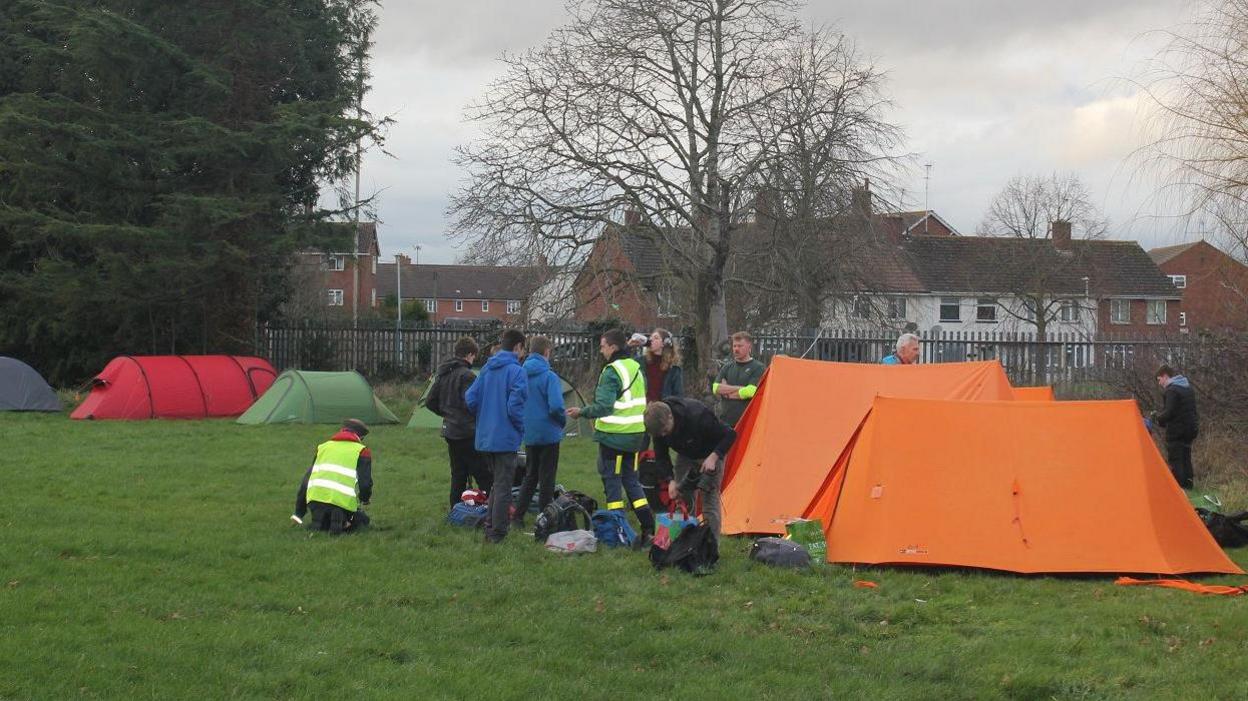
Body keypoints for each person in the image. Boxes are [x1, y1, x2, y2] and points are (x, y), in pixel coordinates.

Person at [567, 328, 656, 544]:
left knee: (612, 485)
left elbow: (604, 407)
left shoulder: (611, 372)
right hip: (636, 437)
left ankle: (618, 532)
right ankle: (649, 528)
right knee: (632, 482)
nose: (601, 351)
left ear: (613, 347)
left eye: (603, 346)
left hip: (614, 439)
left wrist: (581, 412)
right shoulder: (635, 367)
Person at [465, 329, 528, 543]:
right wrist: (520, 428)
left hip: (485, 438)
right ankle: (497, 533)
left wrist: (485, 416)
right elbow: (515, 407)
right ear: (518, 347)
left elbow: (470, 398)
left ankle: (490, 527)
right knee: (503, 487)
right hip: (505, 437)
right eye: (522, 350)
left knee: (496, 484)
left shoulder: (487, 369)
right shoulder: (517, 371)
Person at [643, 398, 735, 535]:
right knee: (682, 499)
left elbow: (730, 434)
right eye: (660, 434)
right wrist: (670, 480)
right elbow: (661, 456)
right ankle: (682, 544)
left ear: (670, 416)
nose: (664, 435)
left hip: (711, 453)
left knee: (709, 501)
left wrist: (714, 457)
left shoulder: (697, 416)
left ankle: (710, 546)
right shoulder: (659, 426)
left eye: (665, 430)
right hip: (686, 454)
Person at [426, 336, 493, 508]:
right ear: (470, 354)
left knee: (458, 474)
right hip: (467, 432)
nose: (473, 360)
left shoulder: (444, 372)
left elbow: (430, 401)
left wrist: (447, 413)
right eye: (473, 356)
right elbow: (470, 403)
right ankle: (494, 509)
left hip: (450, 431)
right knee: (483, 473)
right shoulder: (468, 376)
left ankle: (455, 509)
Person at [514, 335, 566, 526]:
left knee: (530, 476)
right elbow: (556, 406)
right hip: (549, 433)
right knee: (547, 479)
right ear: (546, 352)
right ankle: (545, 519)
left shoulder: (521, 374)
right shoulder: (550, 377)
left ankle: (518, 516)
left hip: (529, 433)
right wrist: (561, 422)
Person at [292, 419, 373, 534]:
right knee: (363, 520)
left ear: (341, 430)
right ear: (360, 437)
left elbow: (307, 481)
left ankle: (322, 523)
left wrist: (298, 513)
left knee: (323, 523)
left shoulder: (323, 447)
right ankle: (344, 524)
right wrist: (365, 499)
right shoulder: (361, 451)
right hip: (341, 505)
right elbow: (365, 484)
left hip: (315, 503)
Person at [1151, 364, 1199, 489]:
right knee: (1186, 458)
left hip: (1177, 431)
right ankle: (1189, 485)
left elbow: (1169, 412)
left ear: (1165, 376)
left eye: (1159, 380)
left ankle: (1179, 488)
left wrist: (1156, 418)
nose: (1160, 383)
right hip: (1190, 430)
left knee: (1176, 460)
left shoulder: (1171, 390)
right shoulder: (1187, 388)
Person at [713, 331, 766, 427]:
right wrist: (739, 389)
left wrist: (727, 393)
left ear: (749, 347)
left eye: (740, 346)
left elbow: (750, 392)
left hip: (747, 422)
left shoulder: (758, 367)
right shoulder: (727, 367)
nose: (736, 349)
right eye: (734, 346)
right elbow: (716, 388)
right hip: (725, 421)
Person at [643, 328, 684, 402]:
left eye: (656, 338)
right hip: (644, 408)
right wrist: (629, 345)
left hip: (663, 410)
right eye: (651, 337)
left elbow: (678, 395)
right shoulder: (642, 361)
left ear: (664, 343)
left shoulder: (673, 368)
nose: (651, 339)